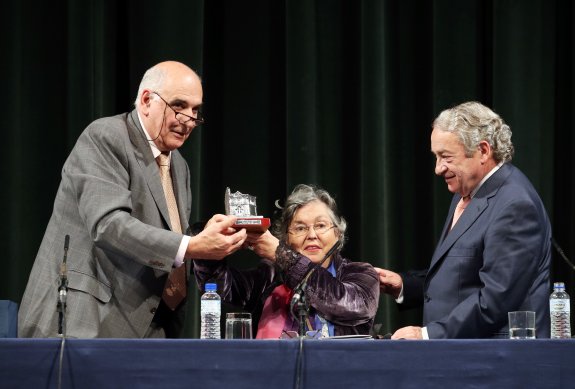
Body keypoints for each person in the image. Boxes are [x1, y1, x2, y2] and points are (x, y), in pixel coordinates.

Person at [18, 61, 247, 338]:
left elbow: (167, 240)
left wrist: (207, 237)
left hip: (150, 327)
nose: (188, 120)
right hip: (85, 322)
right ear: (147, 100)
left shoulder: (180, 166)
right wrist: (192, 246)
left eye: (195, 110)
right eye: (179, 106)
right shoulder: (106, 137)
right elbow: (109, 225)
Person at [376, 101, 551, 339]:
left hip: (498, 363)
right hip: (464, 358)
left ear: (483, 151)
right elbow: (462, 275)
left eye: (446, 157)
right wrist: (406, 285)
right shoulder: (467, 190)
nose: (438, 168)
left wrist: (427, 335)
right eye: (436, 157)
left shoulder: (515, 205)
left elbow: (495, 300)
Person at [193, 184, 380, 338]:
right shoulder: (270, 276)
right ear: (287, 239)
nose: (311, 235)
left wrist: (280, 254)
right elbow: (217, 289)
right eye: (300, 228)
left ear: (337, 234)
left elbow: (346, 304)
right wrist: (207, 244)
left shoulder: (361, 273)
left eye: (321, 225)